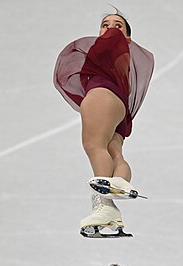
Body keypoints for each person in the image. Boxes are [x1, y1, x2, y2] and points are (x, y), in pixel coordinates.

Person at [53, 9, 154, 238]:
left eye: (118, 25)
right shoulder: (124, 56)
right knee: (114, 152)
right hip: (119, 106)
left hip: (101, 95)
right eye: (105, 24)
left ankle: (104, 207)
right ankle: (120, 185)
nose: (110, 29)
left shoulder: (111, 42)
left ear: (127, 37)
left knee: (93, 145)